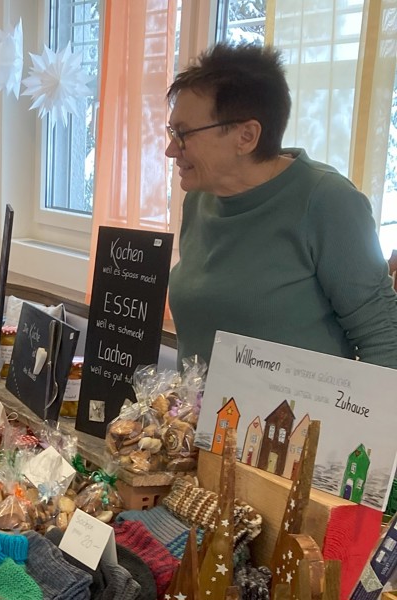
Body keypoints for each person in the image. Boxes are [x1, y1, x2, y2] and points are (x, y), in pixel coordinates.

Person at [167, 43, 397, 368]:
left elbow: (384, 338)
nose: (170, 150)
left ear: (246, 136)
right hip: (204, 416)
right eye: (172, 131)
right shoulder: (200, 201)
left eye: (183, 134)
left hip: (298, 418)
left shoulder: (326, 201)